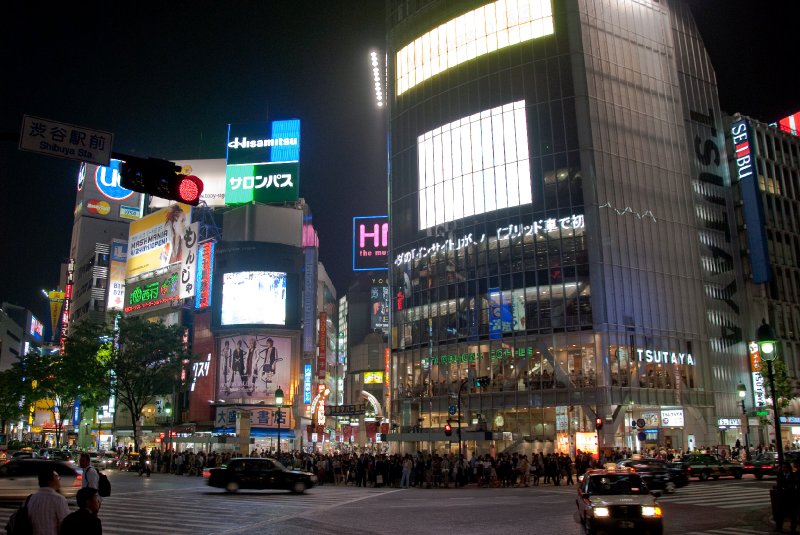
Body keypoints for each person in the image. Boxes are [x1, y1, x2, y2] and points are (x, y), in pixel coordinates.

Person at [28, 468, 70, 535]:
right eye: (57, 477)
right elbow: (65, 524)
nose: (59, 479)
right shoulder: (58, 499)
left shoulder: (32, 498)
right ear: (50, 481)